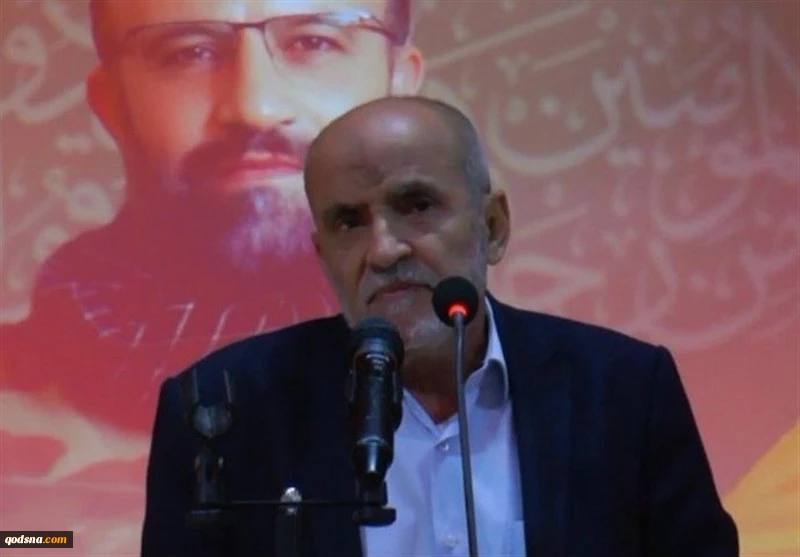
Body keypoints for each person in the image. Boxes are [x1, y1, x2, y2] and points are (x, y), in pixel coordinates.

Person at [142, 96, 739, 556]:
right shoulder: (222, 412)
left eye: (417, 206)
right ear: (323, 256)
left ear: (494, 227)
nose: (383, 250)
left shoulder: (625, 391)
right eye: (349, 222)